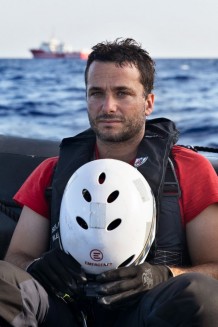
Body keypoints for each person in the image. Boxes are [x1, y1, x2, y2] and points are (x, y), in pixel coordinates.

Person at [1, 38, 218, 327]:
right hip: (63, 313)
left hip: (145, 313)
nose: (108, 106)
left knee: (201, 294)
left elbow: (215, 268)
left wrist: (164, 275)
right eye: (97, 93)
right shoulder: (51, 172)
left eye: (123, 93)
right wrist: (35, 266)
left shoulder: (188, 170)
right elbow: (17, 257)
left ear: (148, 102)